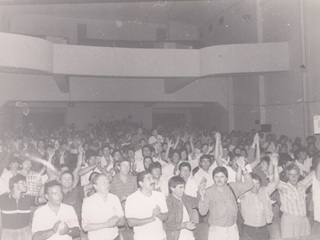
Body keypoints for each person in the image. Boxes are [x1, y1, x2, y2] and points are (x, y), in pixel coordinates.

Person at [198, 159, 254, 240]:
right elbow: (202, 212)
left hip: (232, 228)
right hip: (217, 230)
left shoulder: (233, 187)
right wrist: (202, 196)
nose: (219, 179)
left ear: (226, 178)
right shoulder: (208, 192)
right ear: (213, 178)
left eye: (222, 176)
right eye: (216, 177)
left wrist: (243, 169)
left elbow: (250, 185)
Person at [239, 153, 280, 240]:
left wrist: (275, 166)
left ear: (260, 184)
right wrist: (241, 169)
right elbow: (238, 181)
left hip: (263, 229)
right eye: (252, 183)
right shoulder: (244, 193)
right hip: (247, 229)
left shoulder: (264, 191)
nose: (255, 186)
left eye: (257, 183)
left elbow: (275, 182)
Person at [0, 174, 46, 240]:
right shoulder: (3, 198)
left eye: (26, 182)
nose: (26, 185)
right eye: (23, 182)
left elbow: (42, 199)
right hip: (8, 234)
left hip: (25, 233)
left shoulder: (28, 198)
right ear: (15, 184)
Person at [125, 171, 168, 240]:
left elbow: (166, 216)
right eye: (149, 179)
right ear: (141, 183)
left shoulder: (160, 195)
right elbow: (130, 222)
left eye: (152, 178)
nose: (152, 181)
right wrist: (151, 219)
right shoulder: (131, 199)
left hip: (160, 237)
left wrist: (159, 215)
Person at [82, 174, 125, 240]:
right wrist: (107, 224)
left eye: (108, 183)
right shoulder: (88, 202)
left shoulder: (114, 198)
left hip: (114, 237)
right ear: (95, 186)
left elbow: (122, 221)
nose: (107, 185)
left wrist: (117, 221)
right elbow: (85, 226)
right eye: (103, 183)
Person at [277, 164, 314, 239]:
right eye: (291, 175)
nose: (294, 177)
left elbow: (313, 175)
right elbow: (273, 179)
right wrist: (274, 165)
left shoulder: (302, 185)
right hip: (289, 221)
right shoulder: (284, 187)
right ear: (287, 175)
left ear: (299, 175)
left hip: (303, 220)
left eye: (295, 174)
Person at [165, 176, 198, 240]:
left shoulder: (184, 197)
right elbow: (169, 225)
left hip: (189, 233)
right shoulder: (168, 202)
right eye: (180, 187)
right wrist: (184, 225)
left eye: (183, 187)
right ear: (172, 188)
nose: (183, 190)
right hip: (176, 236)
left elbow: (197, 202)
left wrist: (200, 193)